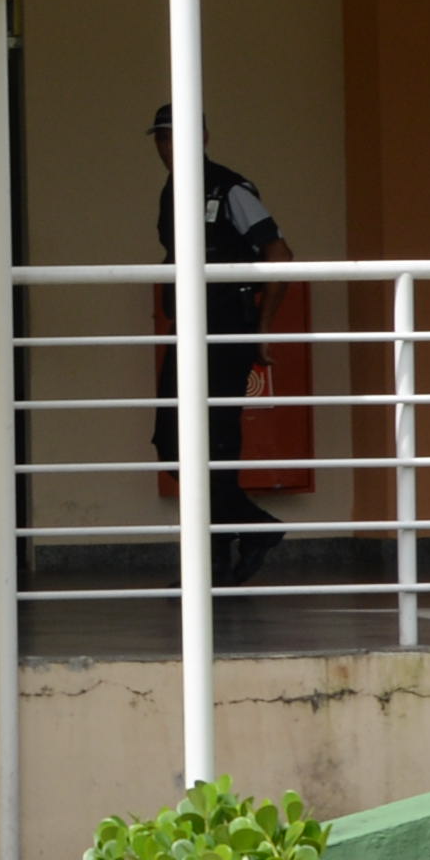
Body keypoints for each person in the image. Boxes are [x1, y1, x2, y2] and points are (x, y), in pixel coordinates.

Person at [146, 109, 290, 592]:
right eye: (161, 138)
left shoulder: (228, 189)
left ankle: (217, 563)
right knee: (173, 443)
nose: (168, 146)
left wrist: (262, 329)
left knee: (214, 444)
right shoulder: (172, 190)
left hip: (225, 329)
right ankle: (248, 532)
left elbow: (279, 255)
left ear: (203, 137)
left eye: (176, 136)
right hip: (188, 329)